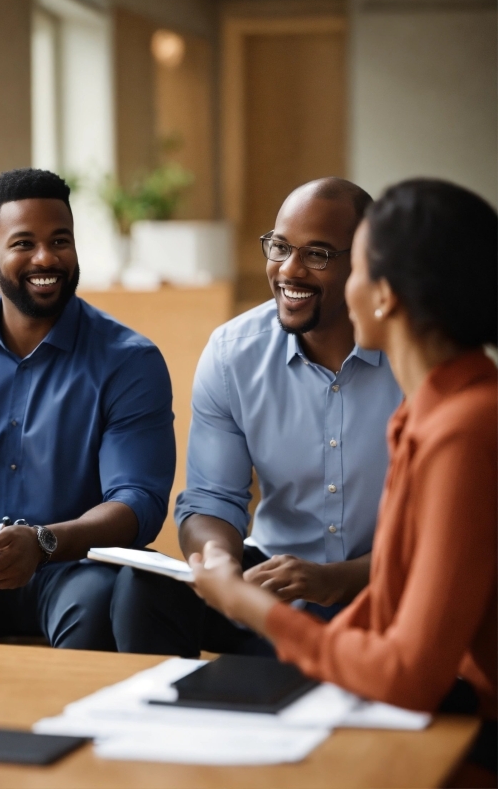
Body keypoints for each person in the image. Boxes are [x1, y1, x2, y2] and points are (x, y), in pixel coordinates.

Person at [191, 179, 497, 772]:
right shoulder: (427, 411)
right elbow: (388, 599)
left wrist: (251, 608)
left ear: (384, 294)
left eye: (343, 264)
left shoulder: (465, 428)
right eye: (280, 248)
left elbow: (409, 676)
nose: (291, 274)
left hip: (472, 727)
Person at [112, 177, 403, 657]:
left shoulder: (409, 355)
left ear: (365, 264)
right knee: (142, 591)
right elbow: (211, 498)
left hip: (385, 583)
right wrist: (224, 569)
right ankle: (165, 728)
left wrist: (334, 580)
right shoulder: (233, 355)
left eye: (317, 254)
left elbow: (446, 544)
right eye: (280, 247)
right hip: (275, 579)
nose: (290, 270)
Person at [0, 168, 175, 650]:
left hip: (71, 567)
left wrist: (44, 541)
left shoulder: (129, 361)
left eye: (60, 241)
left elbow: (138, 501)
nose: (46, 258)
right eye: (24, 243)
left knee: (99, 609)